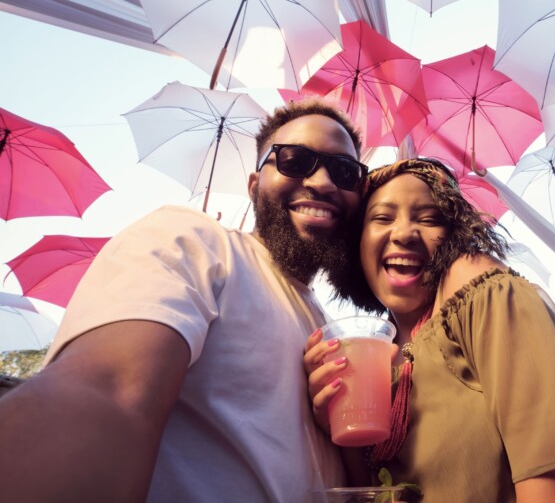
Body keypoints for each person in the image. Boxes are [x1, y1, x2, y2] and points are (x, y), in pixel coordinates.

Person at [0, 99, 369, 502]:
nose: (323, 182)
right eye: (295, 161)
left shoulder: (328, 326)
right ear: (253, 186)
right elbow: (109, 391)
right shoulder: (196, 241)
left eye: (344, 171)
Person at [305, 158, 555, 502]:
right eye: (382, 218)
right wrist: (339, 427)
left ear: (455, 237)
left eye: (429, 219)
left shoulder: (481, 292)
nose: (403, 234)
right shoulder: (379, 360)